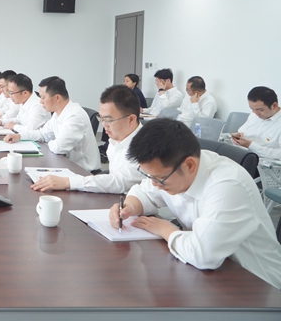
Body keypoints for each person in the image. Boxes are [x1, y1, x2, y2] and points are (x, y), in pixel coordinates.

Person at [109, 118, 281, 289]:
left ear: (190, 165)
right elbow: (144, 192)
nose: (155, 183)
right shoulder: (173, 169)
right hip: (215, 276)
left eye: (160, 178)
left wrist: (165, 229)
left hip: (259, 285)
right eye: (150, 176)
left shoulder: (228, 184)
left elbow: (203, 254)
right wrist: (129, 207)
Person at [32, 85, 143, 193]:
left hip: (128, 198)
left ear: (131, 119)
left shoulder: (144, 146)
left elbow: (121, 181)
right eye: (101, 118)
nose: (104, 125)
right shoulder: (116, 138)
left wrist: (68, 182)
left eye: (109, 120)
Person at [7, 76, 99, 172]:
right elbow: (42, 134)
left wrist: (48, 143)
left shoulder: (75, 116)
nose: (40, 101)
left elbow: (59, 147)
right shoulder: (57, 113)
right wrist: (19, 136)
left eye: (43, 97)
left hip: (82, 171)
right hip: (66, 164)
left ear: (57, 98)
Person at [232, 86, 281, 164]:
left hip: (264, 164)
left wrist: (251, 145)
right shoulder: (254, 115)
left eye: (260, 110)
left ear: (274, 106)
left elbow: (279, 155)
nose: (255, 113)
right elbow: (242, 132)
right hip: (243, 156)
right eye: (252, 109)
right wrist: (237, 139)